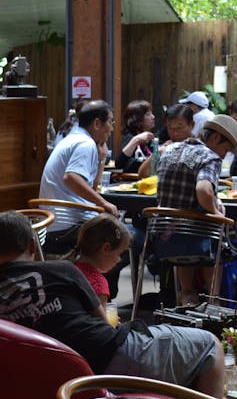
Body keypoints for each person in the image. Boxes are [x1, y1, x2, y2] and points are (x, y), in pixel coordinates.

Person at [0, 211, 224, 396]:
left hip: (47, 375)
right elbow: (103, 324)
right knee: (210, 346)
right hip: (105, 357)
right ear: (32, 244)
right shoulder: (62, 270)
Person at [155, 113, 237, 304]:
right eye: (225, 149)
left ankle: (187, 294)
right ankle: (213, 300)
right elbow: (203, 190)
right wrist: (217, 213)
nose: (223, 155)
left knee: (184, 230)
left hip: (164, 239)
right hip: (196, 243)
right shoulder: (210, 157)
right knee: (216, 232)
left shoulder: (170, 150)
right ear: (216, 137)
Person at [38, 100, 119, 255]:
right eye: (110, 122)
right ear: (97, 123)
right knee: (122, 238)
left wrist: (101, 160)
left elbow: (91, 188)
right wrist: (103, 203)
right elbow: (71, 178)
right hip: (68, 226)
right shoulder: (85, 144)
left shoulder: (72, 138)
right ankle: (94, 279)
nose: (112, 128)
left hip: (53, 225)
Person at [69, 213, 133, 312]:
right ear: (106, 248)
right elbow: (100, 325)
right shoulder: (98, 283)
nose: (119, 259)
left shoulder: (65, 269)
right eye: (119, 254)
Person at [115, 100, 157, 174]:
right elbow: (119, 164)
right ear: (137, 119)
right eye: (148, 114)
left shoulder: (150, 140)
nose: (153, 117)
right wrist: (136, 139)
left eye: (152, 113)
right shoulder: (130, 138)